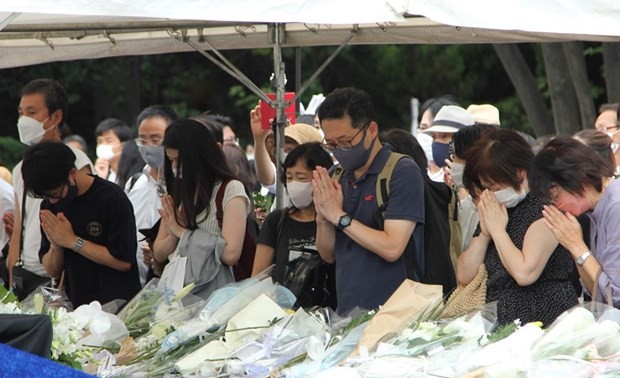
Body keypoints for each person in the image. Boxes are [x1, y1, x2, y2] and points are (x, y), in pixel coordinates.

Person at [313, 87, 425, 314]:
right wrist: (323, 217)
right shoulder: (336, 175)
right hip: (348, 312)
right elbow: (328, 255)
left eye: (345, 142)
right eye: (331, 144)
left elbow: (393, 247)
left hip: (397, 315)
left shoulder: (401, 171)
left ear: (371, 130)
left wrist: (339, 216)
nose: (339, 151)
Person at [457, 129, 577, 326]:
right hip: (497, 321)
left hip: (542, 318)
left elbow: (525, 273)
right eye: (485, 187)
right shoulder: (500, 209)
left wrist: (497, 232)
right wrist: (485, 235)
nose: (490, 194)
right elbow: (464, 274)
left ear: (520, 173)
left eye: (495, 187)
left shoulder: (546, 207)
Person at [21, 142, 141, 307]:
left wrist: (73, 241)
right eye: (47, 196)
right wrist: (57, 245)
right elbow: (52, 270)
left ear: (72, 173)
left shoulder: (111, 198)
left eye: (56, 194)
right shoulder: (50, 206)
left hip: (117, 305)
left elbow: (123, 262)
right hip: (77, 306)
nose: (53, 200)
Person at [6, 78, 94, 296]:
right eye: (21, 112)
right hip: (26, 272)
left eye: (32, 112)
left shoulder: (77, 163)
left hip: (58, 277)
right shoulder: (20, 169)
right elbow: (20, 224)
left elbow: (82, 222)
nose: (24, 120)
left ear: (55, 117)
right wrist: (11, 267)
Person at [153, 119, 250, 299]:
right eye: (171, 160)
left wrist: (181, 232)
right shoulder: (179, 193)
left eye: (179, 161)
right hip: (176, 296)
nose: (175, 168)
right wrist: (173, 236)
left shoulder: (230, 190)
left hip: (214, 299)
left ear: (199, 156)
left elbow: (230, 253)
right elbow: (158, 252)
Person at [529, 136, 620, 307]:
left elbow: (615, 294)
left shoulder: (616, 206)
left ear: (576, 179)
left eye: (556, 197)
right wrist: (573, 246)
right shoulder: (596, 211)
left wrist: (577, 245)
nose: (557, 206)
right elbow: (594, 293)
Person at [252, 142, 336, 307]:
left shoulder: (335, 220)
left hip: (329, 312)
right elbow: (258, 276)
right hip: (282, 314)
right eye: (289, 177)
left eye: (301, 177)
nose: (294, 183)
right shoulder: (277, 221)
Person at [380, 129, 457, 295]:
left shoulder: (402, 193)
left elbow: (393, 249)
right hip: (443, 288)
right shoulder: (444, 193)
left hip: (413, 292)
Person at [128, 105, 178, 284]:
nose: (148, 147)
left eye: (156, 140)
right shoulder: (135, 183)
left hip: (168, 279)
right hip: (135, 282)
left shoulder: (181, 187)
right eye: (142, 140)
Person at [422, 105, 474, 183]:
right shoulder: (429, 178)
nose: (436, 142)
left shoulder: (481, 177)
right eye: (434, 137)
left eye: (444, 136)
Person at [94, 118, 132, 183]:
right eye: (99, 141)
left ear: (124, 145)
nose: (103, 145)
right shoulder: (100, 173)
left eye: (109, 141)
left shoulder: (133, 174)